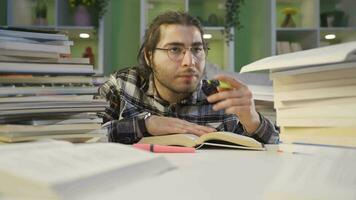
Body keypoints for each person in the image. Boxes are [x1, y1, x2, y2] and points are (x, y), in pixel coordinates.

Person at [99, 11, 279, 144]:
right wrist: (145, 125)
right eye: (175, 49)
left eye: (197, 49)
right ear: (149, 56)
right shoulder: (121, 86)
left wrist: (253, 120)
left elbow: (275, 148)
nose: (189, 61)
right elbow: (84, 139)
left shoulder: (221, 98)